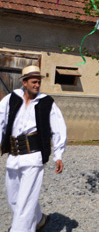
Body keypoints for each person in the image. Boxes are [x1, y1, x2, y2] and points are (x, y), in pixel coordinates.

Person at [0, 65, 67, 232]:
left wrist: (58, 155)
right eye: (34, 82)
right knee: (14, 199)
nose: (37, 85)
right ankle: (38, 219)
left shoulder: (46, 102)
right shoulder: (11, 98)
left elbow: (59, 129)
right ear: (24, 82)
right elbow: (0, 121)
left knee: (25, 202)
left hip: (34, 157)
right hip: (14, 157)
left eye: (38, 82)